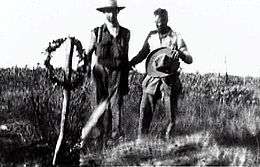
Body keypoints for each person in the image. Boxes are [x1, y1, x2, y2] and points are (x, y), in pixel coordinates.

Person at [129, 8, 193, 141]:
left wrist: (180, 54)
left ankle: (169, 142)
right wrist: (131, 63)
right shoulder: (151, 36)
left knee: (170, 114)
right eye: (156, 23)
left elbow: (189, 58)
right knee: (145, 109)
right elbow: (143, 53)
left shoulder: (175, 36)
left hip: (170, 79)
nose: (159, 25)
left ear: (166, 20)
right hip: (152, 77)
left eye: (161, 22)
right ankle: (142, 140)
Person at [79, 0, 130, 148]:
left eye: (112, 11)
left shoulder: (125, 33)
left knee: (116, 107)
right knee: (98, 105)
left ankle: (115, 140)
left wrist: (125, 78)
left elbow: (125, 57)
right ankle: (98, 140)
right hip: (99, 72)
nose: (110, 14)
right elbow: (88, 54)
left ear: (117, 12)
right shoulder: (96, 32)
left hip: (118, 73)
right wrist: (86, 72)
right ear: (103, 13)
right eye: (107, 11)